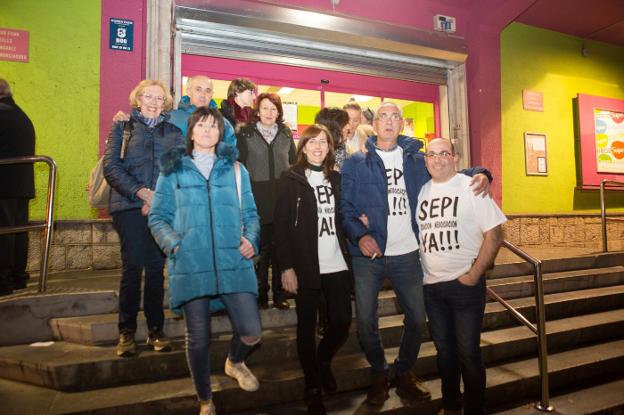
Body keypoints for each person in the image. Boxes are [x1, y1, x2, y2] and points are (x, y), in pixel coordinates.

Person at [340, 102, 492, 406]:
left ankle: (404, 370)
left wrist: (483, 173)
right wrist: (361, 233)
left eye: (395, 117)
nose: (389, 121)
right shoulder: (357, 161)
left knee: (417, 318)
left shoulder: (415, 160)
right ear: (375, 124)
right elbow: (345, 208)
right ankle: (380, 373)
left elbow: (449, 168)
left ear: (400, 125)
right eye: (383, 116)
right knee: (367, 322)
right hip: (368, 255)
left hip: (408, 252)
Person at [149, 107, 261, 415]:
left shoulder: (237, 170)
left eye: (214, 125)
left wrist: (251, 240)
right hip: (190, 263)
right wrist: (174, 246)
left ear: (221, 132)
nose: (208, 130)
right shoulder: (173, 170)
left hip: (233, 260)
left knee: (252, 330)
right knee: (197, 339)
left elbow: (251, 215)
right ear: (192, 131)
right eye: (202, 125)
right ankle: (205, 400)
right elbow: (158, 217)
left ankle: (234, 361)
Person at [417, 138, 505, 415]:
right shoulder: (421, 191)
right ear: (426, 160)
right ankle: (452, 405)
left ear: (455, 157)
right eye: (432, 154)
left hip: (464, 286)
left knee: (468, 354)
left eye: (444, 153)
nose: (438, 159)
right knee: (445, 353)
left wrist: (475, 273)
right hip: (432, 287)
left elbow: (496, 232)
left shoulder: (471, 186)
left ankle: (475, 409)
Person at [274, 124, 352, 415]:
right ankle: (313, 385)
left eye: (324, 142)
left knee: (342, 322)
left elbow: (347, 215)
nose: (318, 147)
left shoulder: (338, 179)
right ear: (303, 147)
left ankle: (322, 362)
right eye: (313, 142)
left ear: (330, 147)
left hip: (337, 263)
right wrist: (286, 267)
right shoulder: (291, 179)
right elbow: (280, 227)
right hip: (306, 265)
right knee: (306, 328)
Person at [103, 79, 184, 357]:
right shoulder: (122, 128)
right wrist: (140, 192)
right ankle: (126, 332)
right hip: (128, 207)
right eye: (147, 96)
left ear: (166, 104)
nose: (153, 102)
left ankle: (155, 330)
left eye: (159, 98)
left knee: (154, 268)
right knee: (132, 267)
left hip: (160, 209)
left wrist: (158, 198)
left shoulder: (174, 133)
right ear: (137, 99)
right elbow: (111, 167)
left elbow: (178, 170)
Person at [237, 92, 296, 310]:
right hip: (256, 200)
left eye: (274, 108)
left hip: (282, 199)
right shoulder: (246, 134)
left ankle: (280, 293)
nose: (269, 113)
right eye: (265, 108)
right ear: (257, 111)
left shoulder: (286, 134)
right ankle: (260, 294)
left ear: (279, 112)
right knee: (260, 251)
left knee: (281, 249)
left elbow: (294, 164)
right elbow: (239, 165)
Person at [114, 75, 236, 141]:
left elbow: (230, 154)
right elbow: (146, 124)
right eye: (198, 89)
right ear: (188, 91)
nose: (203, 95)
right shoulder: (171, 117)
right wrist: (128, 120)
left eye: (207, 91)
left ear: (212, 94)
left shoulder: (223, 123)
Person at [0, 79, 35, 296]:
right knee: (19, 231)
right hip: (21, 184)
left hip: (3, 185)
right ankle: (18, 278)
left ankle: (3, 282)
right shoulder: (20, 114)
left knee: (4, 233)